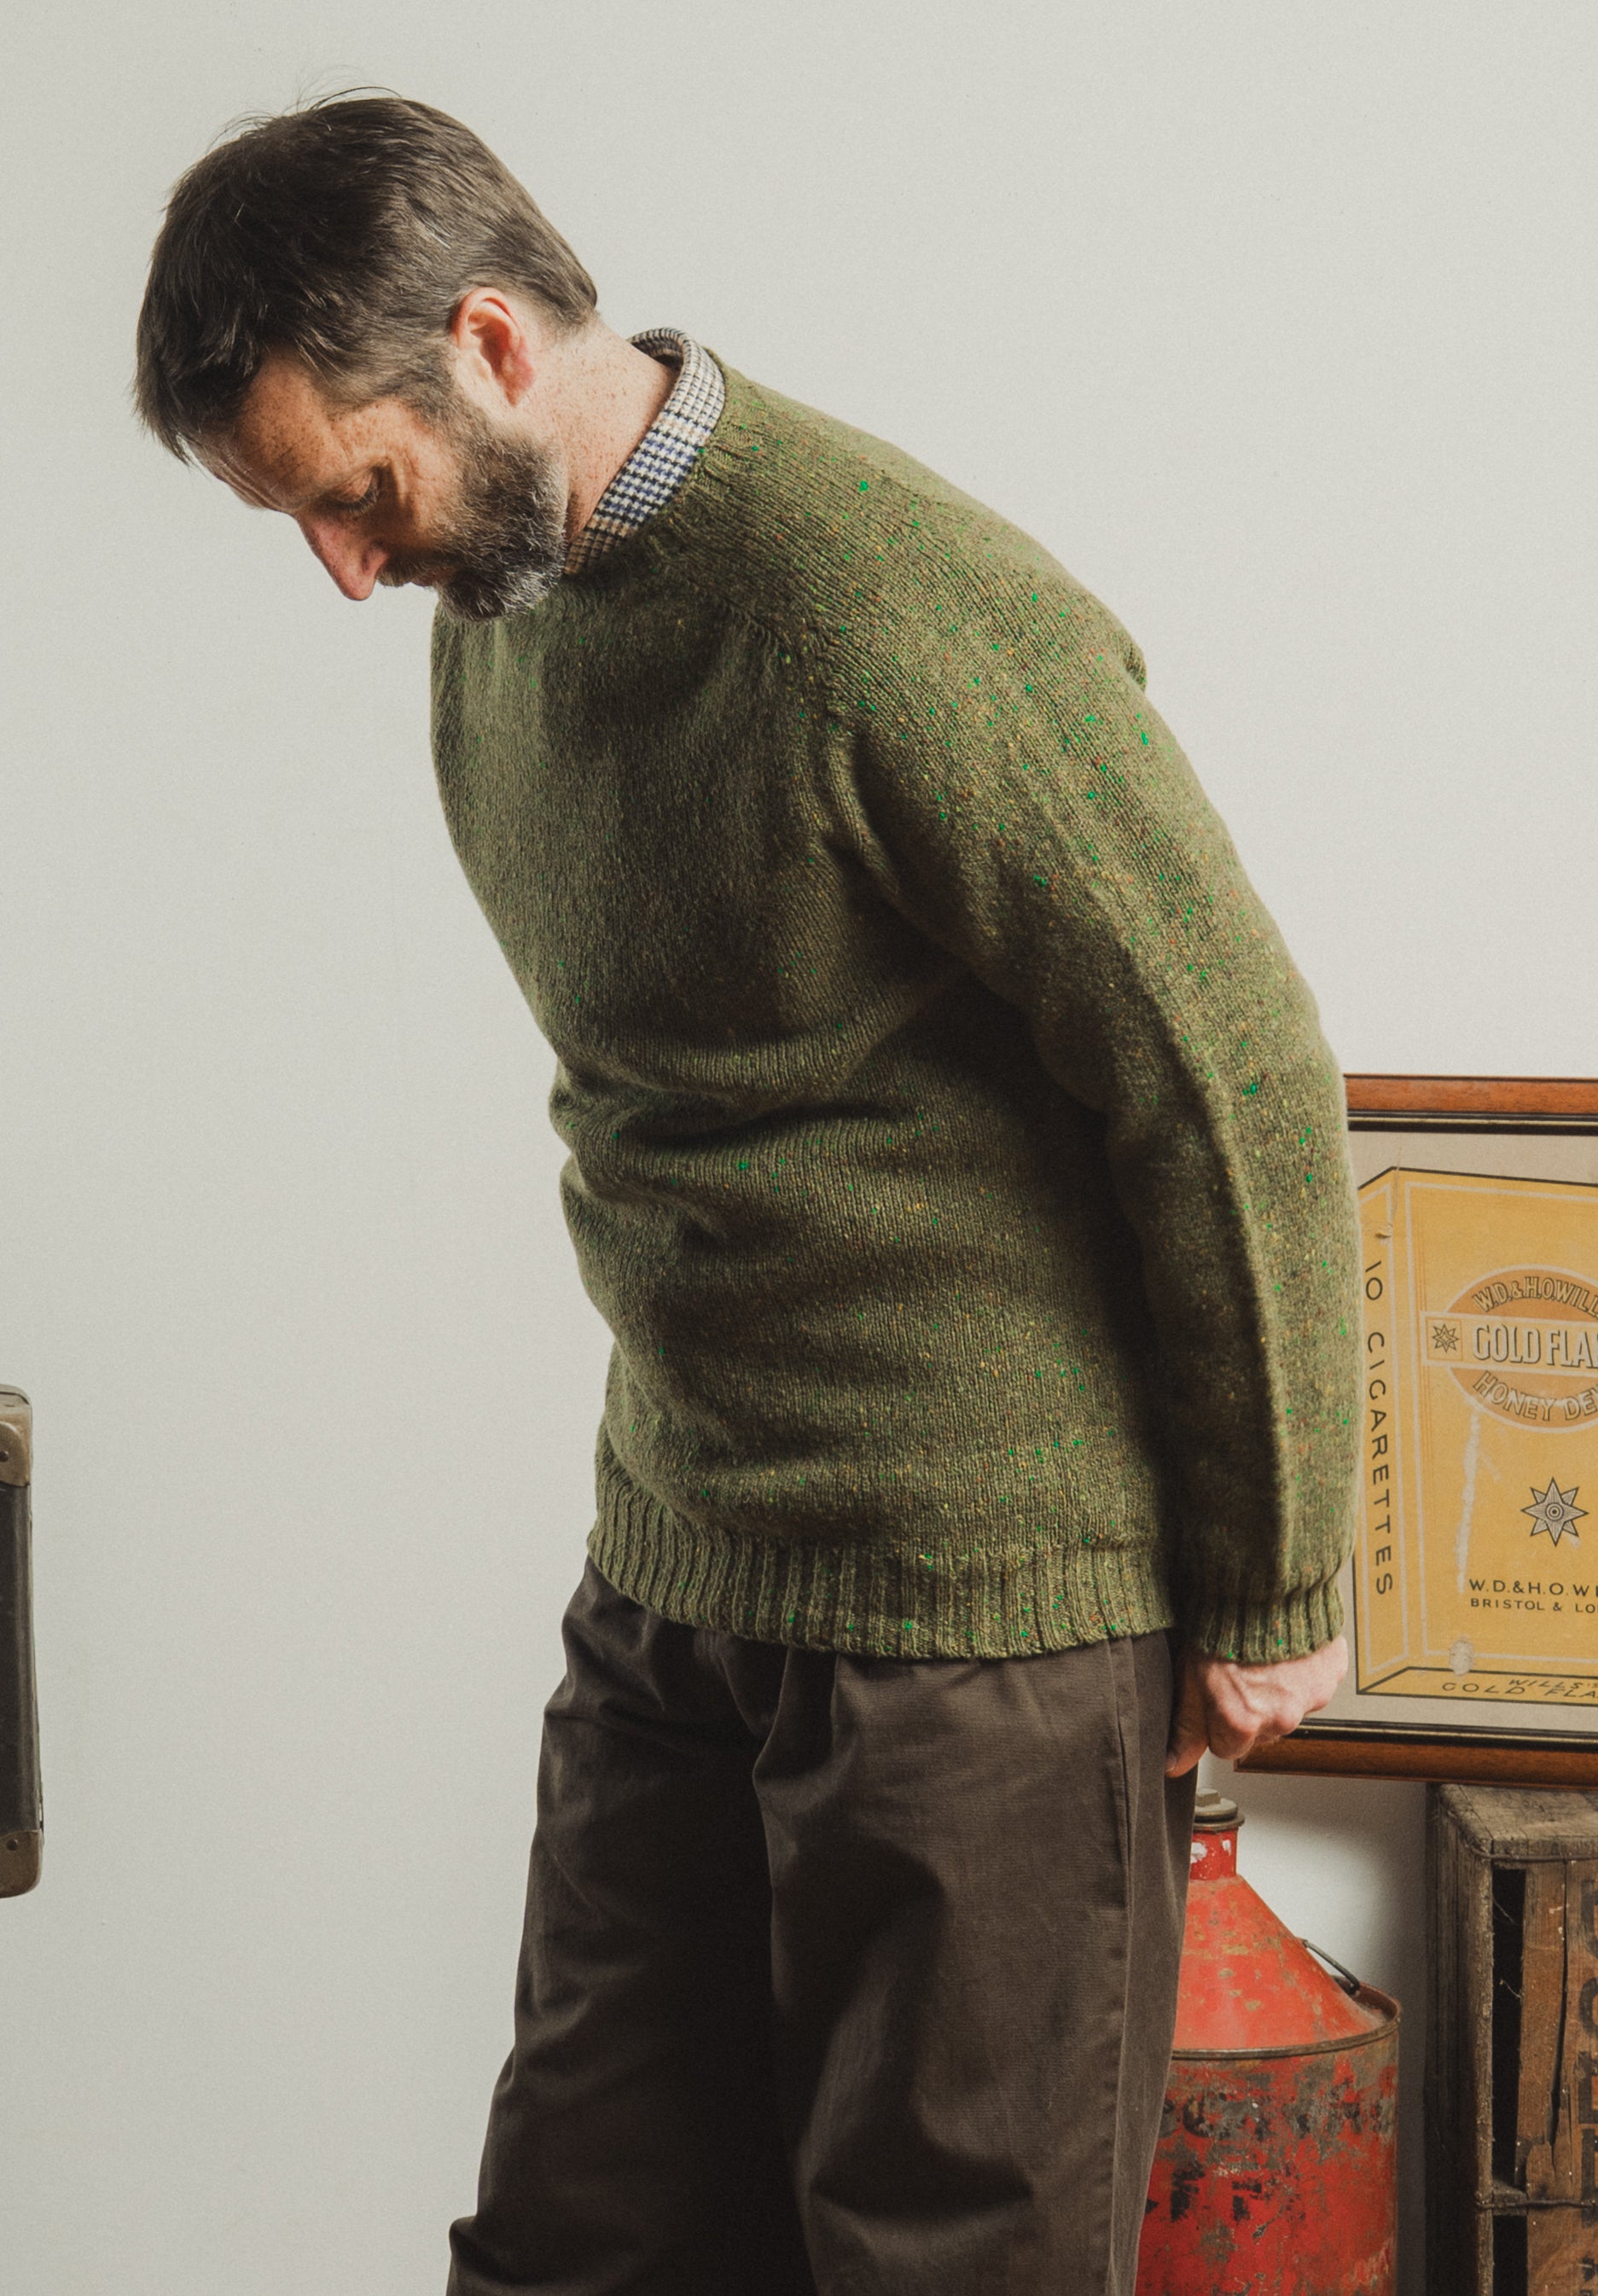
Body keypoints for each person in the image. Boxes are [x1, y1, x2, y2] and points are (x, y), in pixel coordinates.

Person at [135, 93, 1357, 2296]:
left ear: (492, 346)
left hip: (982, 1607)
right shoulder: (502, 589)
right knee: (579, 2231)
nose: (345, 568)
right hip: (685, 1558)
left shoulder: (890, 610)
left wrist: (1270, 1574)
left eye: (352, 497)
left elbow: (1224, 1067)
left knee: (932, 2253)